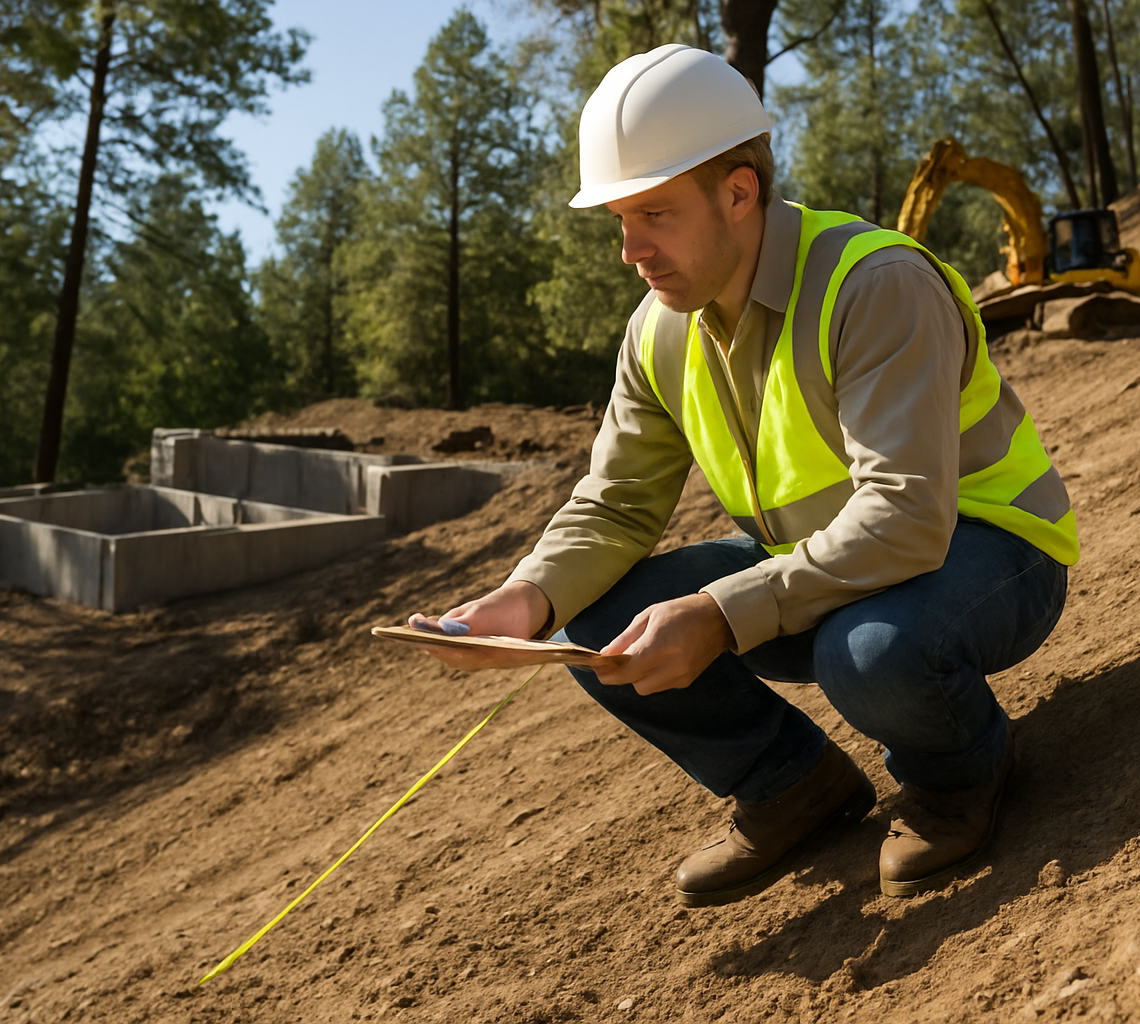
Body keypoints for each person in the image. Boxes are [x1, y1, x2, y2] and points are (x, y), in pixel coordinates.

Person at [410, 44, 1077, 907]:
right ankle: (790, 786)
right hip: (829, 572)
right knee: (596, 616)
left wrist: (723, 613)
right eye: (619, 220)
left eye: (653, 213)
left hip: (984, 550)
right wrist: (525, 601)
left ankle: (958, 776)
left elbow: (909, 517)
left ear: (738, 191)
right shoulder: (659, 331)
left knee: (868, 650)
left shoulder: (873, 283)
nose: (629, 250)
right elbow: (614, 506)